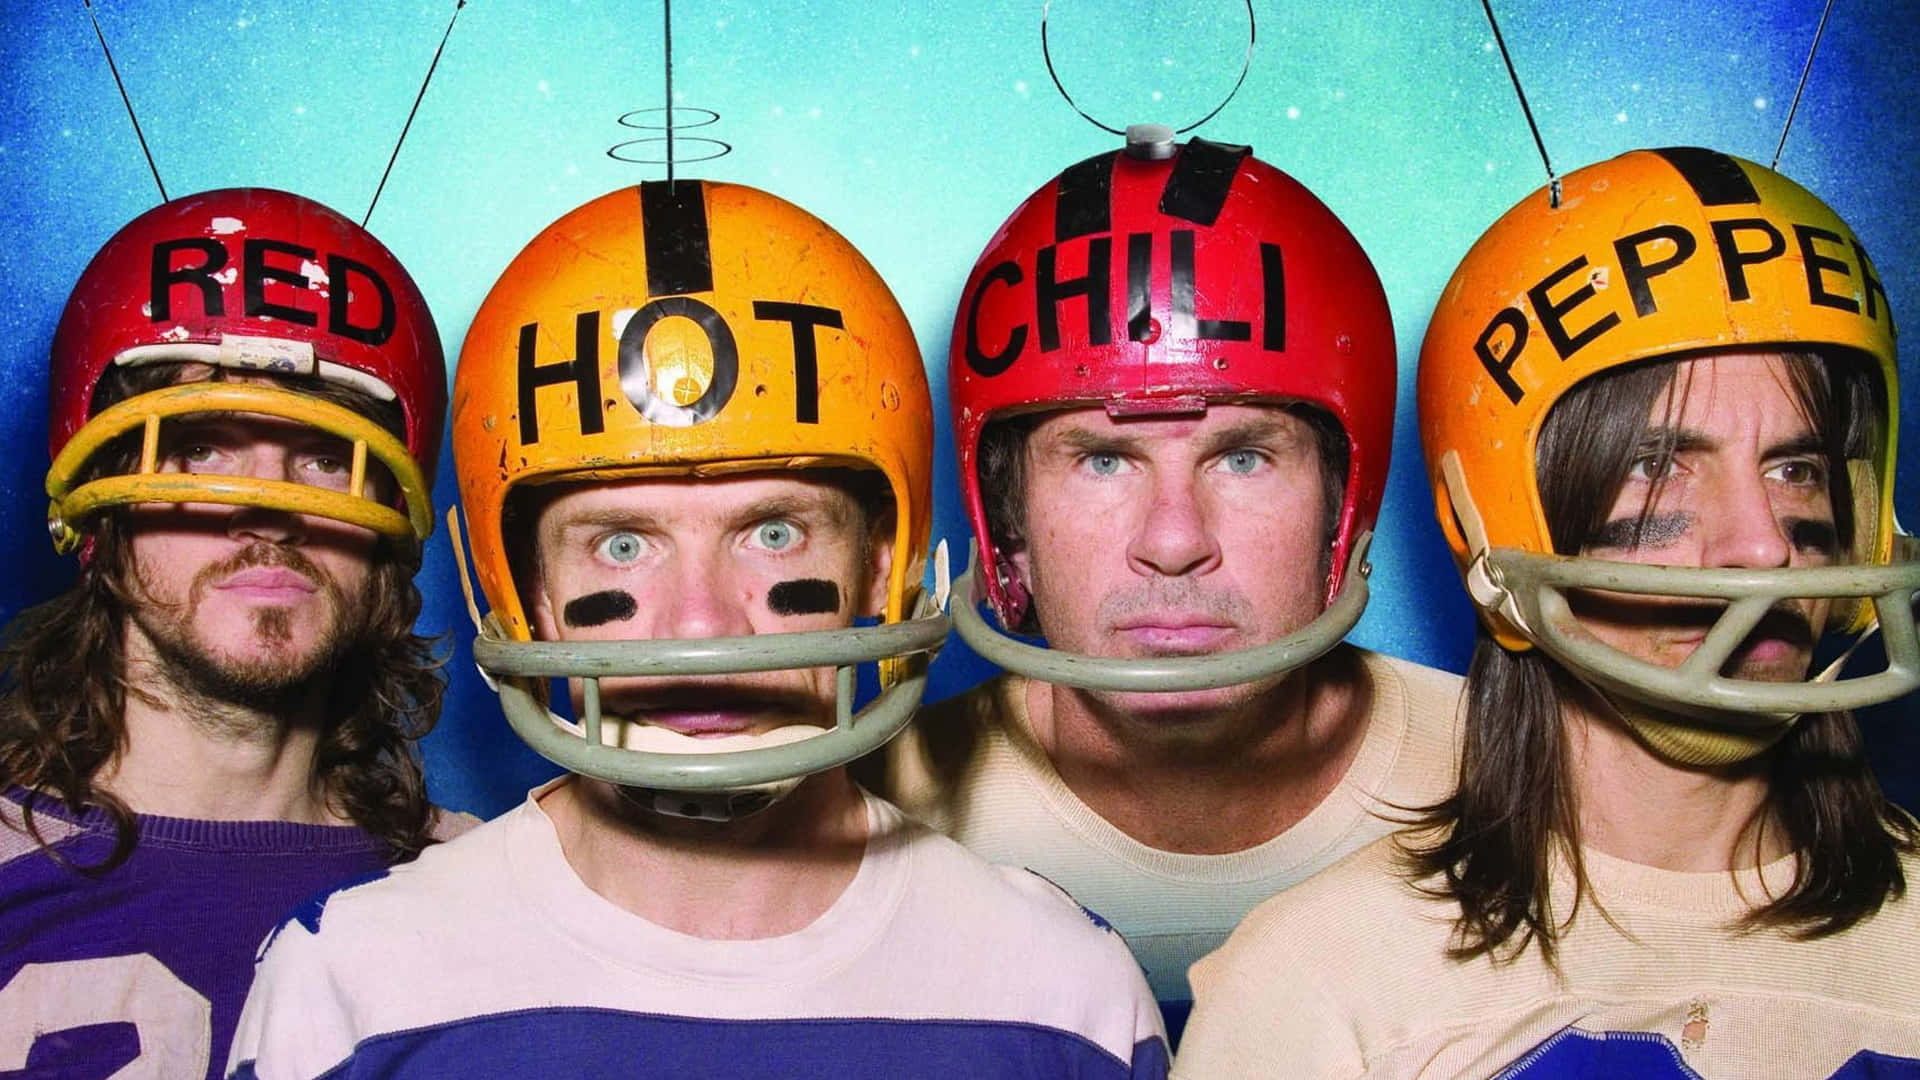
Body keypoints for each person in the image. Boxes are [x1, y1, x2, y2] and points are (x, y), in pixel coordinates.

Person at [227, 179, 1168, 1079]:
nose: (702, 626)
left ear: (884, 565)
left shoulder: (1059, 990)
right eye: (623, 544)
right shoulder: (352, 981)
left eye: (773, 531)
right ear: (527, 589)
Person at [1177, 147, 1920, 1078]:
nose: (1762, 546)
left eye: (1795, 468)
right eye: (1658, 466)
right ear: (1485, 523)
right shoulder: (1324, 979)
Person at [862, 126, 1465, 1040]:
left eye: (1246, 457)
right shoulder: (861, 813)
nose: (1174, 542)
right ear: (1008, 525)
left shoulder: (1526, 780)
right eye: (1103, 462)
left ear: (1344, 503)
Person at [0, 188, 464, 1080]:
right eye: (203, 447)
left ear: (393, 523)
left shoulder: (492, 891)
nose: (265, 509)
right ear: (100, 495)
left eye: (329, 458)